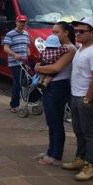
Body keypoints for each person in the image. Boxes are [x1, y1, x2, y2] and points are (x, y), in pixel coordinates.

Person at [63, 17, 93, 181]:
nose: (78, 34)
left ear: (92, 33)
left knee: (89, 132)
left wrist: (88, 99)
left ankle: (90, 165)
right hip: (76, 96)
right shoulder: (81, 49)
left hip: (87, 98)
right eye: (76, 31)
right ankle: (80, 158)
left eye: (82, 31)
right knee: (78, 130)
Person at [34, 22, 76, 166]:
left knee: (56, 121)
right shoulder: (54, 48)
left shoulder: (70, 49)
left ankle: (56, 155)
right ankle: (51, 151)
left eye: (57, 32)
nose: (53, 35)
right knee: (51, 121)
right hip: (50, 86)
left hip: (59, 86)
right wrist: (40, 68)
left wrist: (39, 68)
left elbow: (55, 68)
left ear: (66, 33)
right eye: (52, 32)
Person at [3, 15, 30, 113]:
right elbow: (5, 48)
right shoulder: (10, 34)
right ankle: (14, 105)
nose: (22, 24)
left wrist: (28, 53)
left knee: (27, 82)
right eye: (21, 22)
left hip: (24, 62)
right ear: (16, 22)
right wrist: (14, 54)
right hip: (15, 63)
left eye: (24, 22)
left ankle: (28, 102)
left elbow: (27, 46)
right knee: (17, 83)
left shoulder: (26, 34)